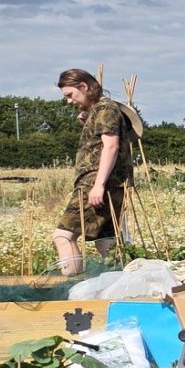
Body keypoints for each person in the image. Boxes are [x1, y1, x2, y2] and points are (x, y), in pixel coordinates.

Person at [51, 68, 133, 275]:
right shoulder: (102, 109)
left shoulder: (105, 108)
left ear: (84, 87)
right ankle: (121, 285)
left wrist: (98, 185)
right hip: (111, 184)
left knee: (63, 236)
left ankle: (71, 286)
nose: (69, 101)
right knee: (105, 241)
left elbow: (111, 146)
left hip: (96, 182)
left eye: (70, 95)